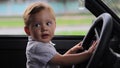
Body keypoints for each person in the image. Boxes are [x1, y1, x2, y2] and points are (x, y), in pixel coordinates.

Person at [23, 2, 97, 68]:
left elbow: (57, 60)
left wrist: (71, 51)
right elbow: (62, 61)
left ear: (55, 25)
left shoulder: (40, 43)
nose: (44, 28)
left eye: (48, 23)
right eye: (37, 25)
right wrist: (88, 54)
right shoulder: (37, 47)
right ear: (28, 31)